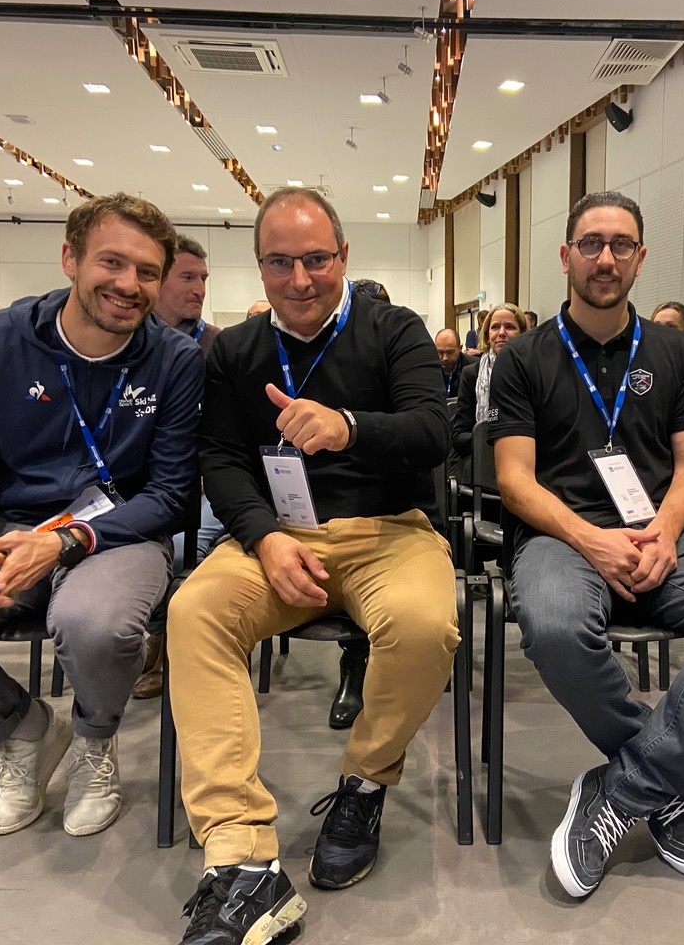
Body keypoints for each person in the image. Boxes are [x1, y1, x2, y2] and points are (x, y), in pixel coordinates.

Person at [489, 190, 684, 901]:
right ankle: (660, 784)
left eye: (622, 244)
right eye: (592, 243)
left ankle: (624, 788)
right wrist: (591, 539)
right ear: (565, 254)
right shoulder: (524, 358)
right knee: (557, 624)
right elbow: (513, 480)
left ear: (640, 257)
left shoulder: (675, 351)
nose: (606, 258)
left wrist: (662, 530)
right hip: (560, 539)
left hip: (663, 537)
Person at [168, 186, 458, 945]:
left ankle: (364, 782)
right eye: (280, 262)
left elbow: (434, 433)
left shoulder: (394, 329)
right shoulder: (235, 349)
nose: (301, 279)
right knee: (193, 612)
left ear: (344, 258)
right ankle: (241, 857)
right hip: (279, 540)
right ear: (260, 266)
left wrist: (348, 427)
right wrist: (263, 535)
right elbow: (221, 459)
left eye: (317, 259)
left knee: (426, 626)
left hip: (388, 531)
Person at [0, 192, 202, 838]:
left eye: (147, 272)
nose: (128, 285)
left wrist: (68, 540)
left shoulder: (175, 360)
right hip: (4, 524)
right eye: (112, 262)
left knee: (95, 623)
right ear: (70, 259)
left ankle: (93, 740)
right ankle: (21, 729)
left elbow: (171, 496)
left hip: (119, 533)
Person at [133, 234, 223, 699]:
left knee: (197, 543)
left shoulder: (218, 347)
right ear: (159, 280)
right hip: (143, 488)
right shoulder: (129, 344)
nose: (200, 288)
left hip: (208, 487)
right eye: (188, 277)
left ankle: (171, 644)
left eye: (204, 278)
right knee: (131, 537)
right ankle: (153, 633)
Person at [452, 304, 526, 483]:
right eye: (495, 327)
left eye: (509, 327)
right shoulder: (471, 374)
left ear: (523, 334)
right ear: (487, 335)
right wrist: (494, 439)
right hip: (481, 469)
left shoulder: (535, 373)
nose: (501, 333)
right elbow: (458, 438)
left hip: (525, 466)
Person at [434, 327, 473, 399]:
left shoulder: (474, 368)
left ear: (460, 348)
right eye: (440, 352)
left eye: (450, 352)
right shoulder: (427, 369)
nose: (445, 358)